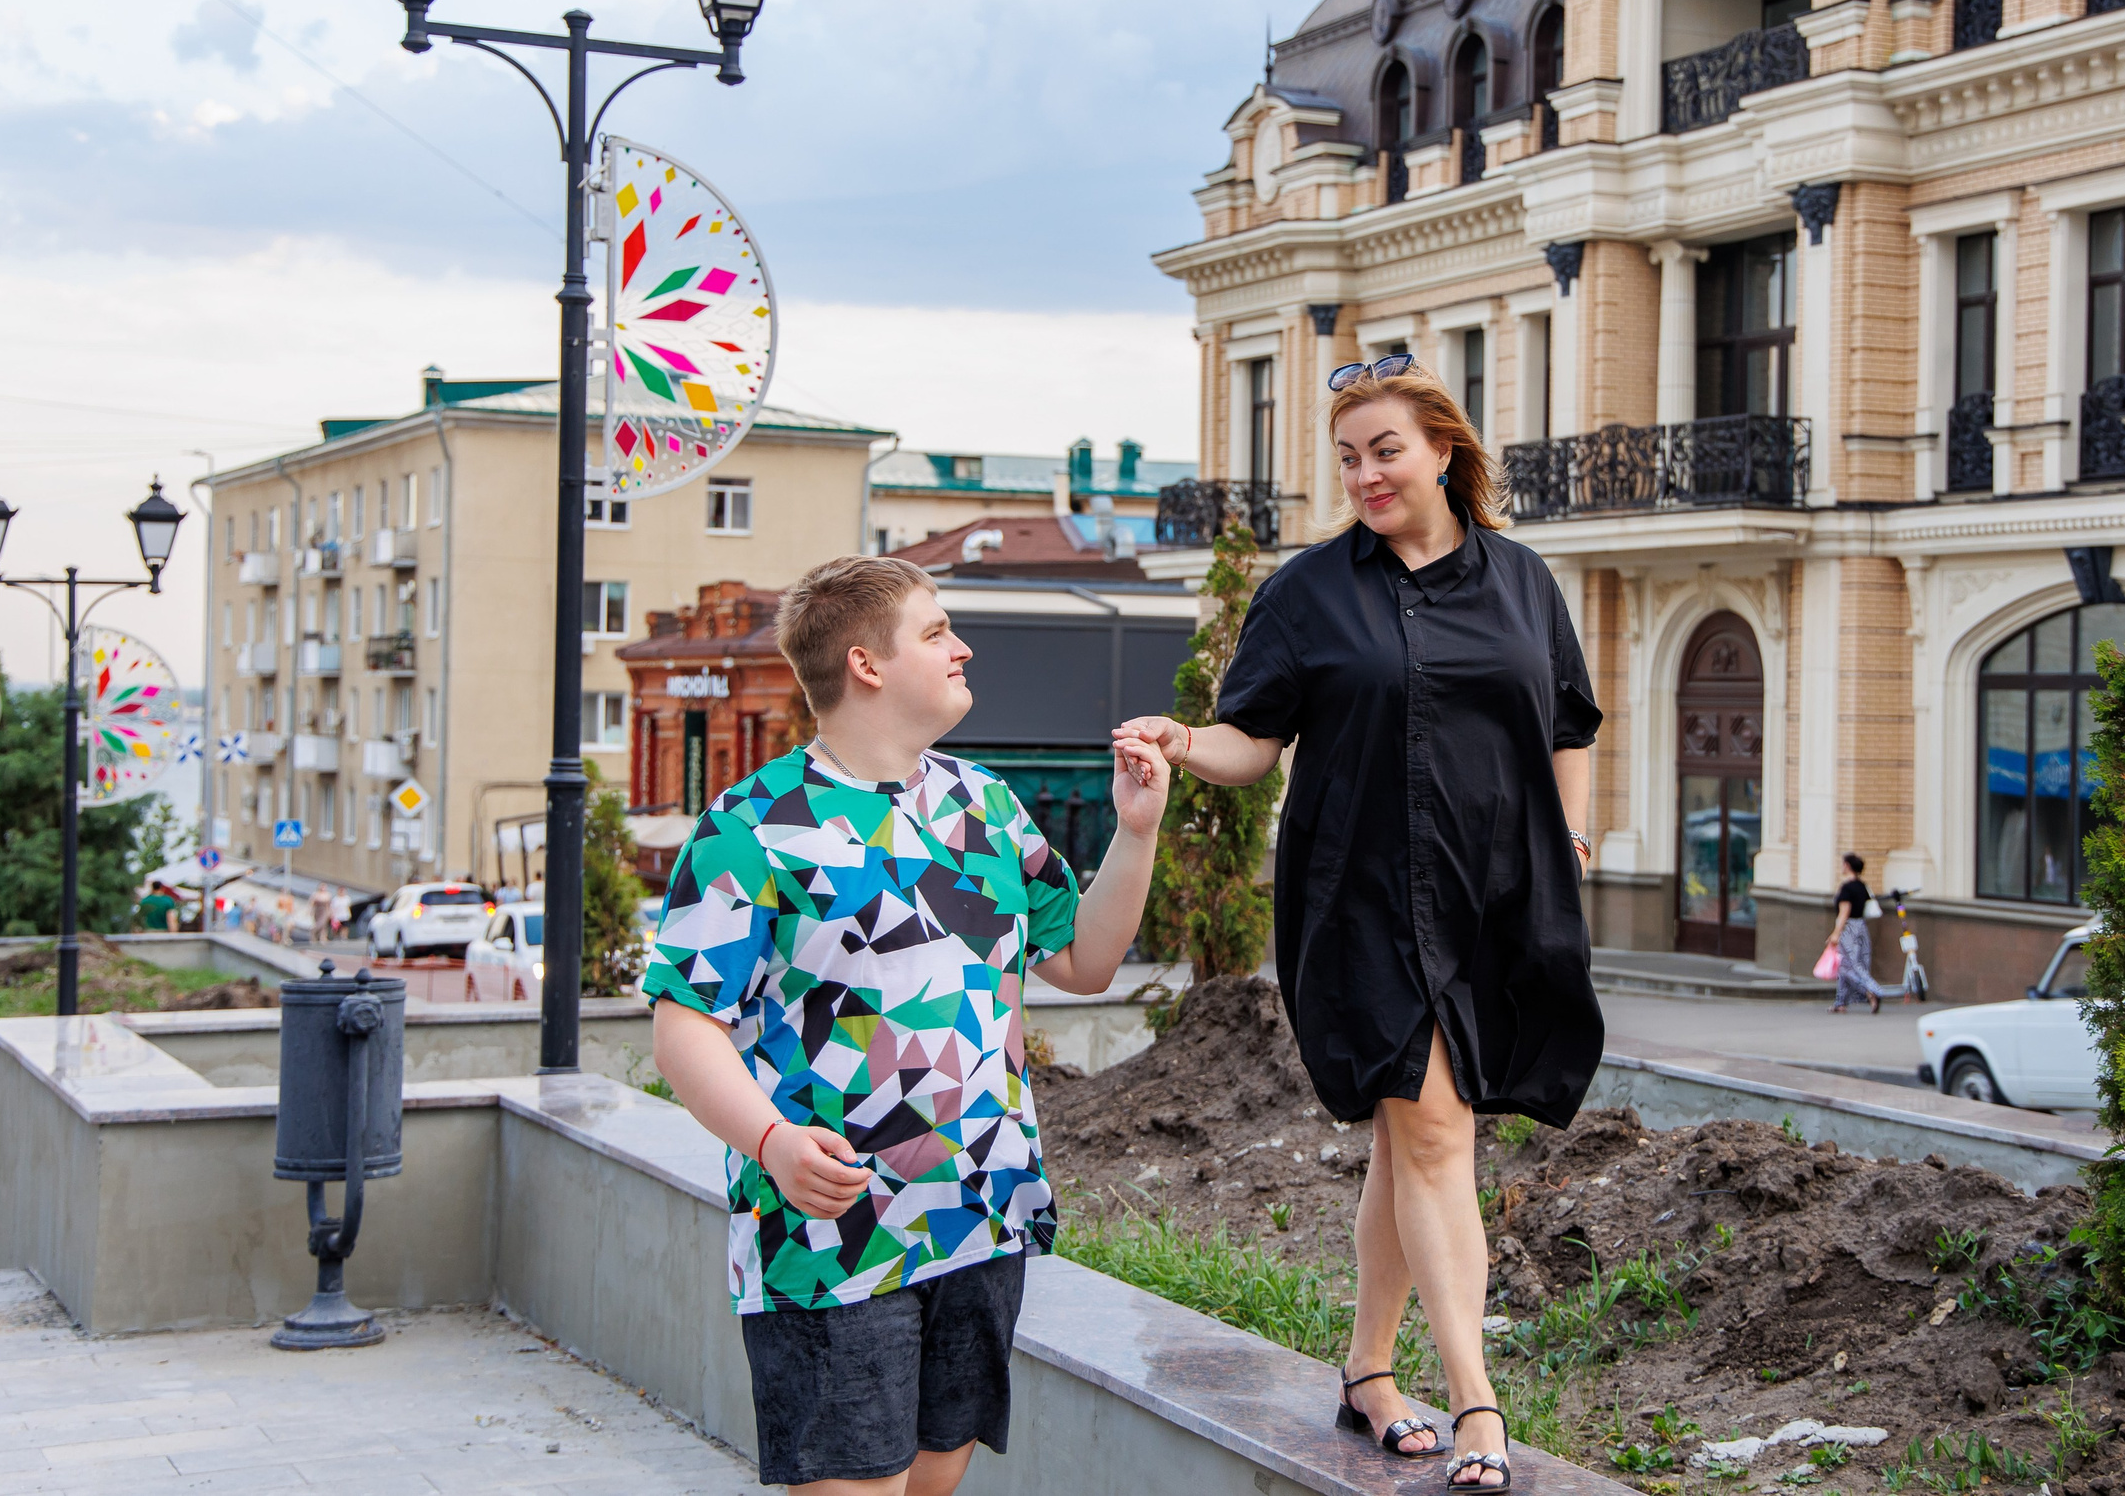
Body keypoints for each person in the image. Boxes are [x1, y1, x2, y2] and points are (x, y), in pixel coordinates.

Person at [1114, 358, 1601, 1493]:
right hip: (1361, 896)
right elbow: (1251, 742)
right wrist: (1187, 743)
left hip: (1497, 892)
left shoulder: (1524, 581)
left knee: (1407, 1138)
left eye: (1384, 449)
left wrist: (1570, 845)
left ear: (1442, 449)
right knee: (1436, 1134)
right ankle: (1477, 1398)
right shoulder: (1309, 592)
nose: (1365, 474)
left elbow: (1568, 722)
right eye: (1347, 458)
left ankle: (1367, 1374)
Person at [644, 556, 1170, 1496]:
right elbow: (686, 1023)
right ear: (866, 664)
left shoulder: (989, 809)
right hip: (830, 1231)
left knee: (930, 1484)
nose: (962, 646)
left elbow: (1085, 962)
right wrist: (768, 1140)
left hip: (978, 1217)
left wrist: (1134, 834)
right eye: (935, 631)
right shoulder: (752, 825)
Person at [1825, 853, 1880, 1015]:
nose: (1841, 867)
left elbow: (1844, 912)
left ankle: (1871, 990)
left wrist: (1836, 933)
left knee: (1846, 966)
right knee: (1853, 964)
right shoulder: (1862, 886)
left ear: (1847, 866)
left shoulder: (1847, 888)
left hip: (1848, 928)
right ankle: (1840, 1002)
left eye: (1843, 864)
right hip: (1861, 927)